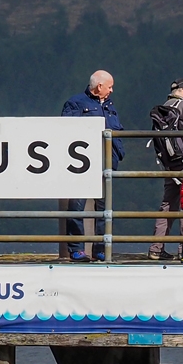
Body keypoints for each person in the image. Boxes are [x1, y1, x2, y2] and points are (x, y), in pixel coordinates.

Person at [61, 70, 125, 262]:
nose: (112, 90)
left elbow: (117, 130)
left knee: (104, 209)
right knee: (76, 206)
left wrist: (119, 152)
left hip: (106, 163)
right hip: (83, 164)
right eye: (110, 86)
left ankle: (100, 249)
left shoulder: (110, 106)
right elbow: (66, 131)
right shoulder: (76, 103)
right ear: (99, 86)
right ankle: (76, 249)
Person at [149, 78, 183, 260]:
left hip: (169, 163)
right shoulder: (182, 105)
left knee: (167, 205)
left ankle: (156, 248)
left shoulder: (164, 106)